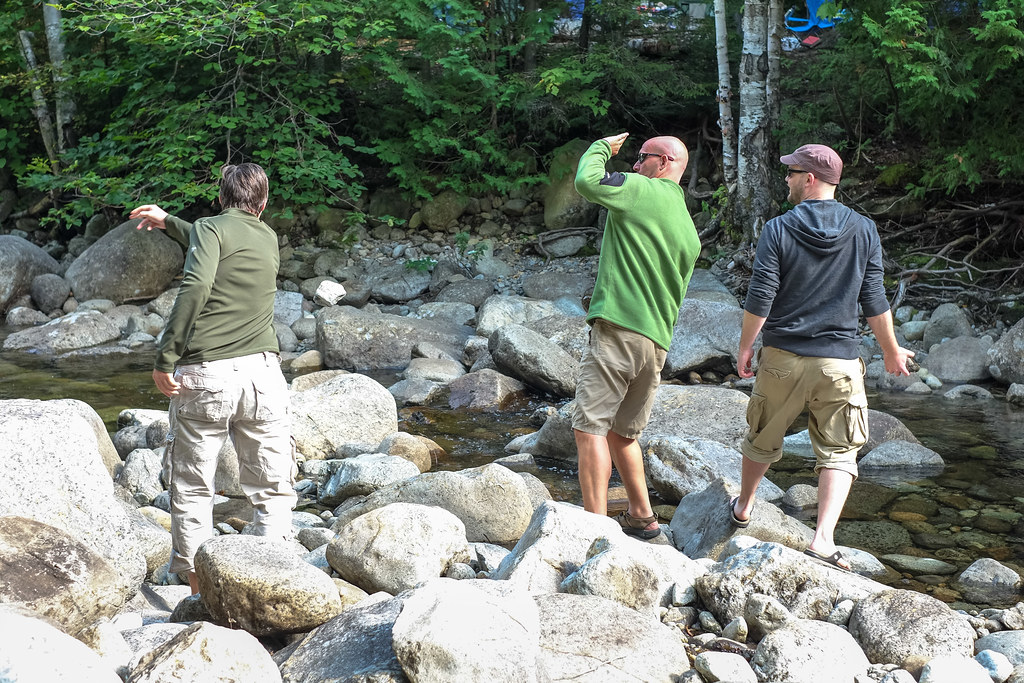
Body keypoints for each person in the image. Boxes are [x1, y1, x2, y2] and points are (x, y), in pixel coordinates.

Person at [732, 144, 914, 570]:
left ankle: (743, 507)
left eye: (792, 173)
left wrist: (745, 346)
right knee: (840, 451)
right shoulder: (864, 229)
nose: (787, 179)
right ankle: (824, 539)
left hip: (783, 357)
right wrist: (891, 351)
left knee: (762, 435)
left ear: (810, 178)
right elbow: (873, 297)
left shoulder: (778, 228)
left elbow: (762, 294)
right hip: (840, 362)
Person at [130, 163, 296, 593]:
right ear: (262, 204)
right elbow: (218, 240)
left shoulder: (210, 228)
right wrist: (169, 223)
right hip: (263, 375)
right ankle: (268, 583)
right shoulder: (267, 236)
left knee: (193, 487)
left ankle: (199, 590)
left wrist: (165, 356)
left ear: (220, 198)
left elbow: (198, 282)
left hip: (208, 375)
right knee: (272, 489)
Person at [572, 132, 701, 539]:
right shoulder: (687, 226)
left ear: (663, 163)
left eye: (641, 157)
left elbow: (587, 182)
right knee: (623, 433)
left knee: (588, 427)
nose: (633, 165)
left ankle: (597, 529)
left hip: (619, 330)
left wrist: (600, 147)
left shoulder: (641, 189)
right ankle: (643, 517)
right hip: (656, 343)